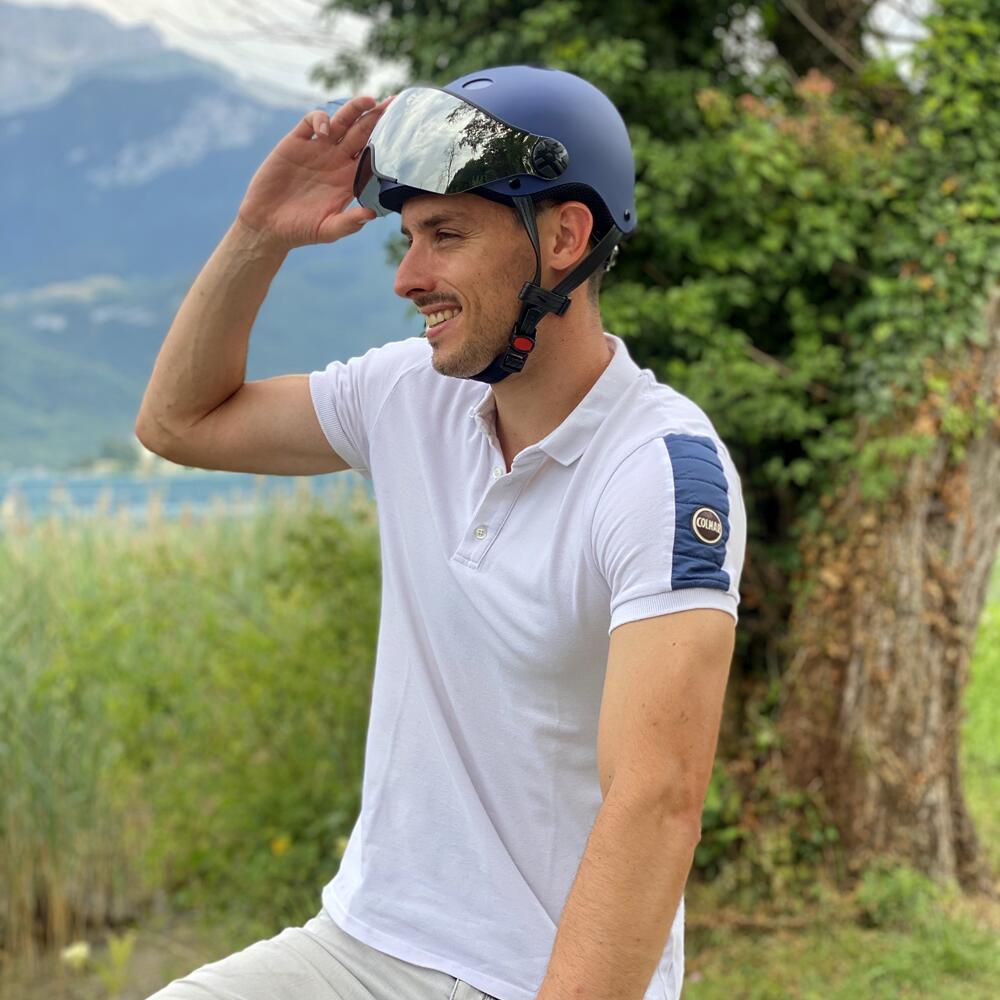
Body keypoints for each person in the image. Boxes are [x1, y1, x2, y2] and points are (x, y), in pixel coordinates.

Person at [137, 64, 746, 1000]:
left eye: (446, 235)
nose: (408, 278)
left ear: (564, 237)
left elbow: (655, 805)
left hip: (533, 975)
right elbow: (179, 422)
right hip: (360, 942)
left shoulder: (660, 471)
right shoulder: (411, 394)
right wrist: (260, 233)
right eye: (410, 237)